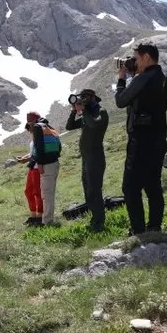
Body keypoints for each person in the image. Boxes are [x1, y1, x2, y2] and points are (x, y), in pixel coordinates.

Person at [115, 42, 167, 235]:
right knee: (152, 184)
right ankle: (155, 226)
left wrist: (122, 80)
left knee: (130, 187)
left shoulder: (143, 79)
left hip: (140, 140)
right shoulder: (166, 81)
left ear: (147, 57)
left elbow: (121, 101)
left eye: (137, 58)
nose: (135, 62)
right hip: (158, 139)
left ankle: (138, 230)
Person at [65, 89, 109, 232]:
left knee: (94, 190)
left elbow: (94, 124)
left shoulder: (100, 112)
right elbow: (69, 126)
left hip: (95, 158)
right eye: (81, 97)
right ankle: (94, 217)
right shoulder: (87, 114)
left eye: (85, 97)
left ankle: (99, 222)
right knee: (88, 189)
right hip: (86, 158)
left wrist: (83, 111)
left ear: (93, 97)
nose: (82, 99)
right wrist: (74, 111)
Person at [27, 111, 62, 226]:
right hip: (55, 163)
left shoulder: (38, 127)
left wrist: (40, 163)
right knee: (49, 193)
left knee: (46, 195)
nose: (29, 125)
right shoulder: (49, 127)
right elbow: (59, 145)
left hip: (46, 164)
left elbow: (39, 146)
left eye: (29, 122)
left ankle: (47, 222)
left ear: (33, 121)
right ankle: (48, 219)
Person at [16, 123, 43, 227]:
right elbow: (32, 153)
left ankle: (39, 217)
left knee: (38, 193)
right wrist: (24, 157)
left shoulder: (40, 138)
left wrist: (26, 159)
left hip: (37, 168)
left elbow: (37, 154)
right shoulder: (33, 140)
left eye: (30, 129)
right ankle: (33, 216)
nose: (30, 132)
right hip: (32, 168)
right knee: (28, 192)